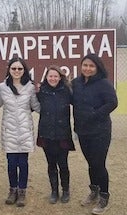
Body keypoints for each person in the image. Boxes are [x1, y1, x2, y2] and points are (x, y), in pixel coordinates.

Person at [72, 54, 118, 215]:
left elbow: (113, 103)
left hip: (100, 131)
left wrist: (94, 114)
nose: (88, 68)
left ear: (97, 67)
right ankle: (94, 191)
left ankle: (104, 197)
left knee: (99, 164)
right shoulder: (76, 83)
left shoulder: (103, 84)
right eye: (85, 65)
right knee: (91, 163)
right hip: (83, 131)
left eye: (91, 66)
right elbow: (71, 100)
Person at [0, 57, 40, 207]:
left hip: (25, 130)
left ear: (24, 70)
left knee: (23, 163)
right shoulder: (2, 87)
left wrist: (52, 104)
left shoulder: (30, 87)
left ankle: (22, 192)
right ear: (9, 70)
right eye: (14, 68)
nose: (17, 71)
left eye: (20, 68)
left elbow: (36, 106)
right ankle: (12, 190)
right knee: (11, 163)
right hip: (9, 130)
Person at [36, 65, 75, 204]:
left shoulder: (67, 91)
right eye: (50, 76)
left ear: (60, 77)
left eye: (55, 76)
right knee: (51, 163)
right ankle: (54, 191)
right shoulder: (41, 92)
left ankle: (65, 190)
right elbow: (31, 105)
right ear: (46, 77)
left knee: (63, 164)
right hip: (46, 133)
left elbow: (79, 104)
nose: (53, 78)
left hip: (62, 134)